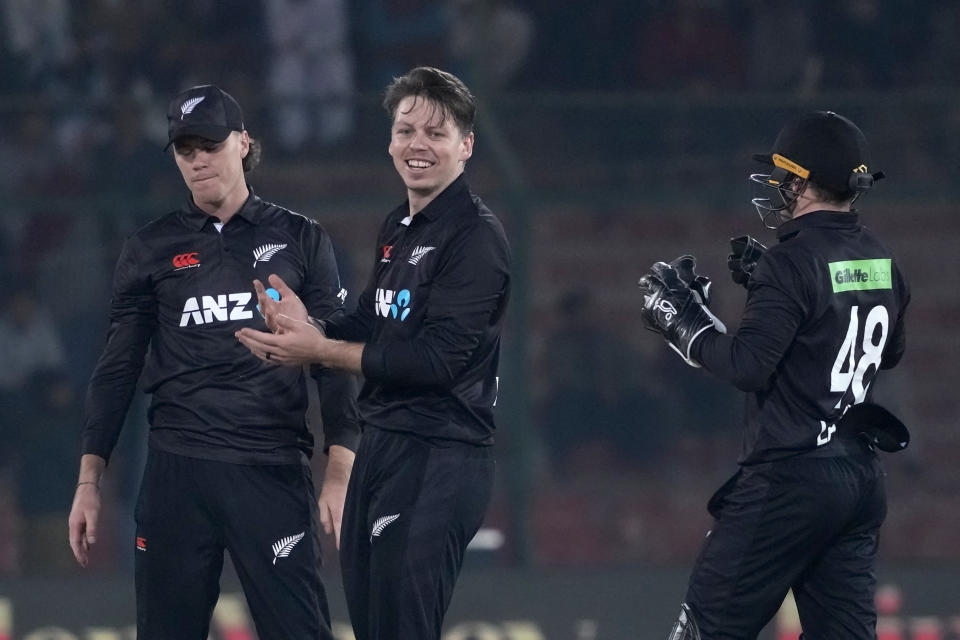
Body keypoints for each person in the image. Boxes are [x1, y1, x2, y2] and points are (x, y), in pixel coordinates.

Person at [67, 84, 360, 640]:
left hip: (270, 470)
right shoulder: (149, 248)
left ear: (244, 143)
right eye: (185, 149)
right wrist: (89, 480)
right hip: (178, 473)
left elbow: (332, 360)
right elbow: (116, 369)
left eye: (210, 144)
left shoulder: (301, 238)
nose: (198, 160)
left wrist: (340, 473)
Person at [236, 66, 511, 640]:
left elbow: (439, 361)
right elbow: (370, 319)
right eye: (406, 129)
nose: (418, 144)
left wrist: (322, 350)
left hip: (439, 454)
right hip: (383, 447)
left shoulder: (475, 238)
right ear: (389, 141)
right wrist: (306, 324)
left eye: (436, 133)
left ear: (466, 147)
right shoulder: (401, 224)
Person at [637, 111, 910, 639]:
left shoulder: (792, 261)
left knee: (705, 632)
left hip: (788, 481)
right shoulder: (881, 256)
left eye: (786, 175)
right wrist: (792, 301)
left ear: (805, 182)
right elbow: (888, 353)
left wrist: (685, 324)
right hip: (857, 479)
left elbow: (748, 365)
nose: (780, 186)